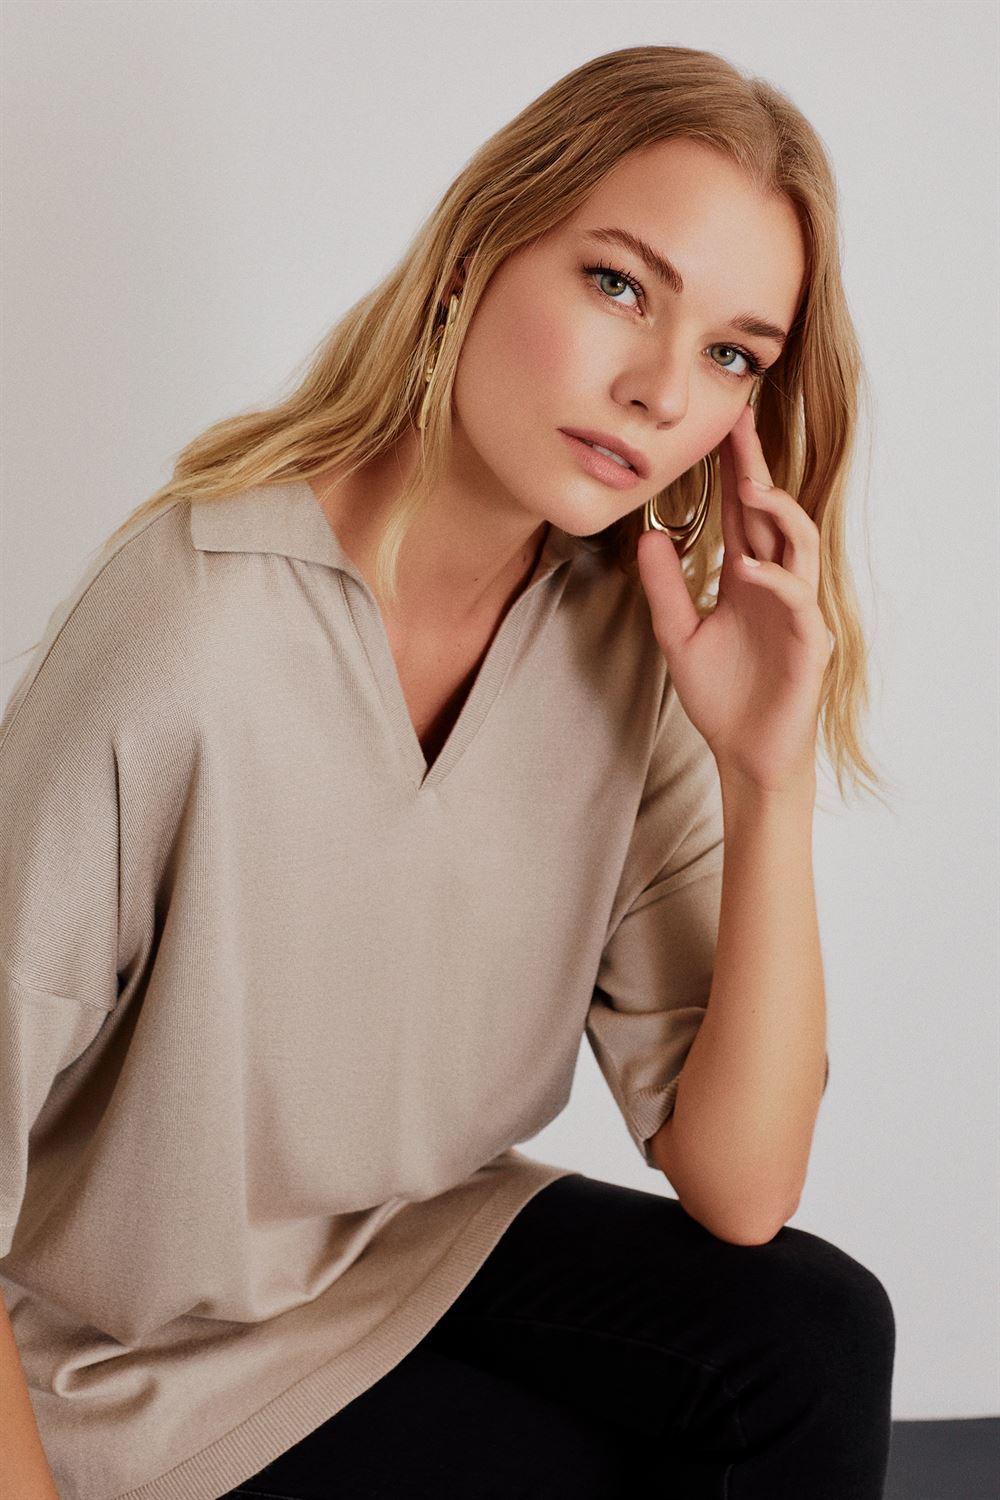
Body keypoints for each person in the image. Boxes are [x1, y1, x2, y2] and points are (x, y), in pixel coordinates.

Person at [0, 43, 895, 1500]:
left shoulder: (624, 636)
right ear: (481, 253)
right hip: (124, 1358)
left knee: (811, 1336)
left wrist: (767, 771)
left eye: (733, 354)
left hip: (405, 1255)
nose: (660, 390)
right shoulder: (197, 623)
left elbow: (742, 1188)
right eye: (620, 286)